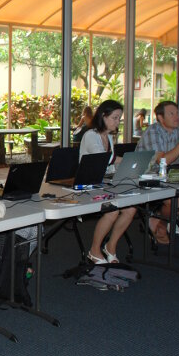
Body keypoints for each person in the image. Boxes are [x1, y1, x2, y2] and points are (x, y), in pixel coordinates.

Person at [78, 100, 137, 264]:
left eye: (119, 118)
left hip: (104, 183)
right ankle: (94, 250)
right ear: (103, 116)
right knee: (112, 210)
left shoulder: (108, 137)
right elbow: (106, 159)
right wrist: (127, 161)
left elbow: (109, 165)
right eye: (115, 118)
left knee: (131, 209)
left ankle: (110, 246)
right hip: (88, 184)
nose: (117, 122)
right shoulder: (91, 135)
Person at [136, 101, 179, 244]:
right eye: (172, 114)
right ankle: (163, 226)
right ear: (160, 118)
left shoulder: (177, 132)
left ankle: (158, 218)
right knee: (173, 199)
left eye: (177, 113)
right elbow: (163, 160)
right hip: (145, 176)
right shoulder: (153, 131)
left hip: (167, 175)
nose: (177, 117)